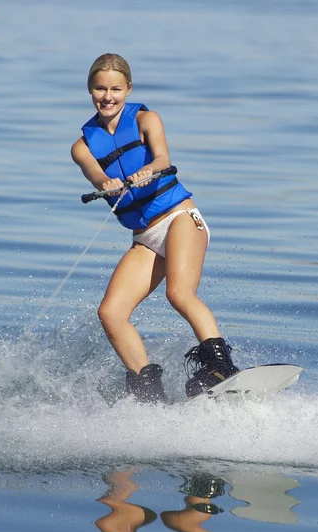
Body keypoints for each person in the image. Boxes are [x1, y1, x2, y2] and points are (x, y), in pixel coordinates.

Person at [71, 53, 238, 402]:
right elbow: (95, 174)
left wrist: (149, 170)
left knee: (179, 293)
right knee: (111, 313)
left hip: (180, 218)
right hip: (145, 238)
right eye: (100, 88)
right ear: (90, 90)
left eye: (116, 88)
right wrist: (107, 182)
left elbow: (162, 157)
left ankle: (221, 369)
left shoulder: (147, 119)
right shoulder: (82, 147)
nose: (108, 96)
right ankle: (148, 392)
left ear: (128, 88)